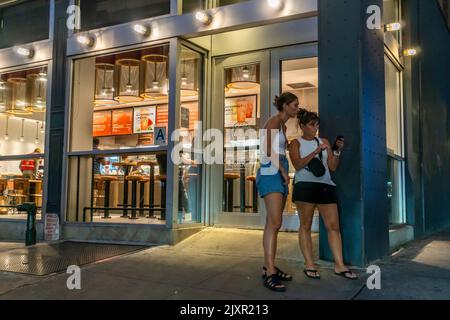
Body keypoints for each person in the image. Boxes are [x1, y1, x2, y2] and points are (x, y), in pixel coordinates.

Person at [289, 108, 358, 280]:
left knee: (333, 226)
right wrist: (315, 152)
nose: (315, 128)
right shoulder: (295, 143)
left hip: (326, 185)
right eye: (312, 125)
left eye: (317, 125)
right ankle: (309, 264)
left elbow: (333, 167)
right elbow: (297, 165)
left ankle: (339, 265)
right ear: (303, 126)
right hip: (305, 186)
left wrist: (336, 151)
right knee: (305, 225)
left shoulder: (324, 141)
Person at [256, 92, 300, 292]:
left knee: (272, 223)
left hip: (277, 166)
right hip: (270, 169)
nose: (297, 109)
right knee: (275, 222)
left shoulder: (283, 126)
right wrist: (282, 170)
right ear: (285, 106)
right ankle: (270, 272)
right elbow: (266, 149)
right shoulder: (274, 121)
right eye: (294, 105)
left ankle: (269, 267)